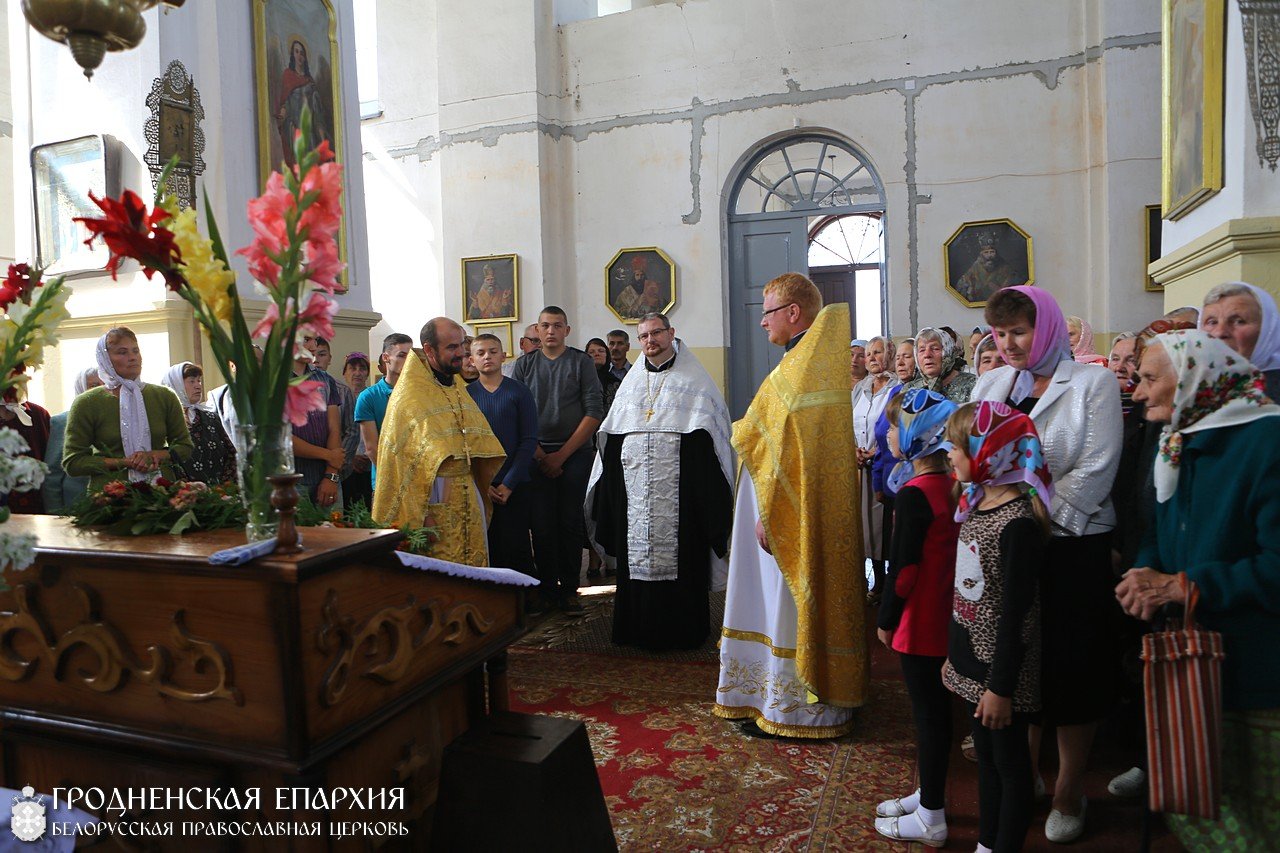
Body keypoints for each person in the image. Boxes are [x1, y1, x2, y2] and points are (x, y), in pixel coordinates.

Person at [1117, 330, 1280, 850]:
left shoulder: (1266, 442)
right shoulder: (1178, 435)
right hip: (1193, 658)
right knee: (1198, 797)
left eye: (1148, 379)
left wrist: (1183, 586)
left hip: (1258, 671)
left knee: (1259, 816)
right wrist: (1145, 575)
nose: (1137, 392)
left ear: (1193, 379)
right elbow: (1160, 531)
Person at [971, 285, 1122, 843]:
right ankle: (1026, 773)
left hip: (1069, 543)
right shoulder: (992, 383)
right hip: (1010, 543)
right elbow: (976, 455)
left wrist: (1029, 516)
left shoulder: (1092, 383)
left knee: (1073, 667)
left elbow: (1095, 469)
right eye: (1000, 333)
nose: (1007, 344)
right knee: (1022, 659)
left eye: (1019, 332)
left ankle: (1070, 790)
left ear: (1049, 328)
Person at [715, 273, 868, 738]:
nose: (762, 323)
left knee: (785, 601)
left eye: (768, 312)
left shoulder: (803, 369)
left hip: (787, 514)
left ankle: (794, 709)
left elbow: (786, 453)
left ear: (793, 313)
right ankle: (778, 699)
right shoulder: (805, 363)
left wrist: (770, 515)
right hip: (785, 507)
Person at [942, 401, 1053, 853]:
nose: (948, 451)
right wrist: (956, 658)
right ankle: (987, 843)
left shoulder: (1017, 525)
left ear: (990, 451)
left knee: (1009, 763)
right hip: (975, 665)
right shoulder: (977, 503)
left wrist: (1001, 688)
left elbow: (1015, 616)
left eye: (957, 444)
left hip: (1001, 675)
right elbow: (965, 595)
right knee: (985, 758)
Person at [587, 313, 733, 650]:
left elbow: (711, 438)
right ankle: (636, 631)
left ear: (671, 333)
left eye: (656, 333)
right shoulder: (632, 383)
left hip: (683, 499)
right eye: (644, 336)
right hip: (634, 496)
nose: (650, 340)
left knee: (683, 562)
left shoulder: (695, 381)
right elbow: (613, 435)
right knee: (634, 563)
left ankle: (685, 633)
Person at [873, 389, 960, 847]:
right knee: (937, 713)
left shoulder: (913, 494)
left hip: (921, 617)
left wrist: (886, 618)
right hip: (947, 611)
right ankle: (929, 792)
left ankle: (932, 817)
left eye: (893, 425)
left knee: (928, 715)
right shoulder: (951, 483)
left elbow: (902, 568)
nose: (888, 433)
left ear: (914, 435)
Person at [372, 319, 505, 565]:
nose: (461, 354)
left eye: (462, 346)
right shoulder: (409, 397)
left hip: (468, 494)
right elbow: (402, 464)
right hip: (433, 503)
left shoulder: (457, 387)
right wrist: (421, 517)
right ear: (430, 350)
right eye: (452, 347)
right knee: (442, 572)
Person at [512, 306, 604, 613]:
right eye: (545, 326)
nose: (550, 331)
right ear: (537, 331)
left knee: (568, 522)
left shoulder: (581, 362)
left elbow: (594, 411)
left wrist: (561, 455)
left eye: (557, 326)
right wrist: (539, 453)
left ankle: (569, 588)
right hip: (534, 452)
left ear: (567, 330)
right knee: (541, 524)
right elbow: (519, 414)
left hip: (575, 454)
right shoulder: (525, 365)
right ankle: (547, 588)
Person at [64, 328, 193, 490]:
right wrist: (124, 462)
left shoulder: (164, 396)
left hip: (163, 494)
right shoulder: (87, 403)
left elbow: (185, 447)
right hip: (109, 499)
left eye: (135, 351)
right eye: (122, 352)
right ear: (105, 360)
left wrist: (155, 455)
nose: (132, 358)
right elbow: (73, 462)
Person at [467, 334, 539, 580]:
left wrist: (509, 483)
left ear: (503, 355)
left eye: (493, 351)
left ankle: (525, 600)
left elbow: (528, 440)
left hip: (516, 482)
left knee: (517, 544)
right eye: (481, 353)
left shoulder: (519, 392)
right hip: (480, 484)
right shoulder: (465, 397)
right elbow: (465, 444)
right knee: (490, 546)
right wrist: (483, 483)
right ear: (472, 360)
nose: (487, 356)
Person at [853, 335, 895, 600]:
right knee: (864, 527)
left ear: (888, 355)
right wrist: (853, 449)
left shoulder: (897, 387)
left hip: (884, 464)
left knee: (883, 528)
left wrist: (878, 451)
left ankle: (884, 583)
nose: (871, 358)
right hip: (859, 466)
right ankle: (870, 580)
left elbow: (894, 425)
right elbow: (848, 420)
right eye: (869, 354)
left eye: (877, 353)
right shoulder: (860, 388)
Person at [290, 334, 344, 510]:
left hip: (327, 477)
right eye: (306, 339)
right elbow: (280, 437)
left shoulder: (325, 380)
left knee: (336, 535)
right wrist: (328, 455)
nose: (313, 346)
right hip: (291, 481)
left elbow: (334, 429)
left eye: (314, 339)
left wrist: (331, 475)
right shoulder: (271, 382)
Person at [355, 333, 414, 493]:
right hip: (388, 482)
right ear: (386, 358)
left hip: (420, 480)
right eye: (402, 355)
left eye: (411, 356)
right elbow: (372, 448)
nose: (408, 361)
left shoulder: (420, 393)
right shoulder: (369, 396)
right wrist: (397, 478)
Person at [1200, 281, 1280, 398]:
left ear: (1267, 329)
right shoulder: (1193, 381)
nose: (1220, 333)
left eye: (1239, 321)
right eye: (1212, 322)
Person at [161, 362, 235, 486]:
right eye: (191, 381)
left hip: (218, 494)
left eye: (199, 381)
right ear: (175, 384)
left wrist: (223, 487)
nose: (198, 386)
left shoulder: (211, 417)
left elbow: (232, 454)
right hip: (182, 496)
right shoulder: (166, 421)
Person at [44, 367, 101, 512]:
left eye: (105, 383)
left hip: (111, 506)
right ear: (81, 388)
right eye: (93, 385)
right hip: (73, 508)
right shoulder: (62, 422)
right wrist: (55, 517)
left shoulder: (121, 420)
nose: (100, 389)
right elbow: (52, 475)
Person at [276, 39, 330, 169]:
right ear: (292, 54)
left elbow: (317, 117)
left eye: (302, 53)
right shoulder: (288, 77)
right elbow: (284, 104)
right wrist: (282, 113)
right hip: (294, 131)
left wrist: (323, 143)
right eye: (296, 52)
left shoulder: (310, 83)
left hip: (310, 135)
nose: (299, 55)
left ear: (305, 57)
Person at [337, 352, 373, 509]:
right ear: (344, 372)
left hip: (370, 465)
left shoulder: (372, 397)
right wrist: (350, 458)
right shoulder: (336, 398)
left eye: (362, 368)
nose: (357, 373)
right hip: (344, 467)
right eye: (352, 368)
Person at [907, 327, 977, 403]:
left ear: (948, 352)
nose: (927, 355)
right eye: (922, 350)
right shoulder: (909, 390)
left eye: (935, 349)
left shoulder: (972, 384)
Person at [957, 233, 1024, 303]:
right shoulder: (972, 271)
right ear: (980, 254)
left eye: (992, 252)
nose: (989, 256)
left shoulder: (1007, 269)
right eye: (986, 252)